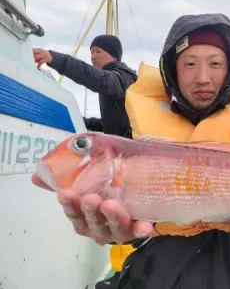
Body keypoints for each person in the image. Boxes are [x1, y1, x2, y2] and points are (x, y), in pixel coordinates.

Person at [33, 14, 230, 289]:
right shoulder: (136, 133)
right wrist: (113, 231)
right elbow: (122, 221)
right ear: (172, 71)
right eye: (189, 64)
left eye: (215, 63)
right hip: (150, 269)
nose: (203, 77)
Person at [33, 34, 139, 289]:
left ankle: (130, 274)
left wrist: (56, 59)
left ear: (114, 54)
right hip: (123, 162)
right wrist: (83, 121)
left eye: (98, 51)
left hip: (128, 165)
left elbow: (99, 81)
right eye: (91, 51)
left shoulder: (120, 76)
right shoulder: (120, 83)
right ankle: (124, 271)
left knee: (125, 221)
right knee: (120, 221)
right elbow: (114, 124)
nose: (93, 56)